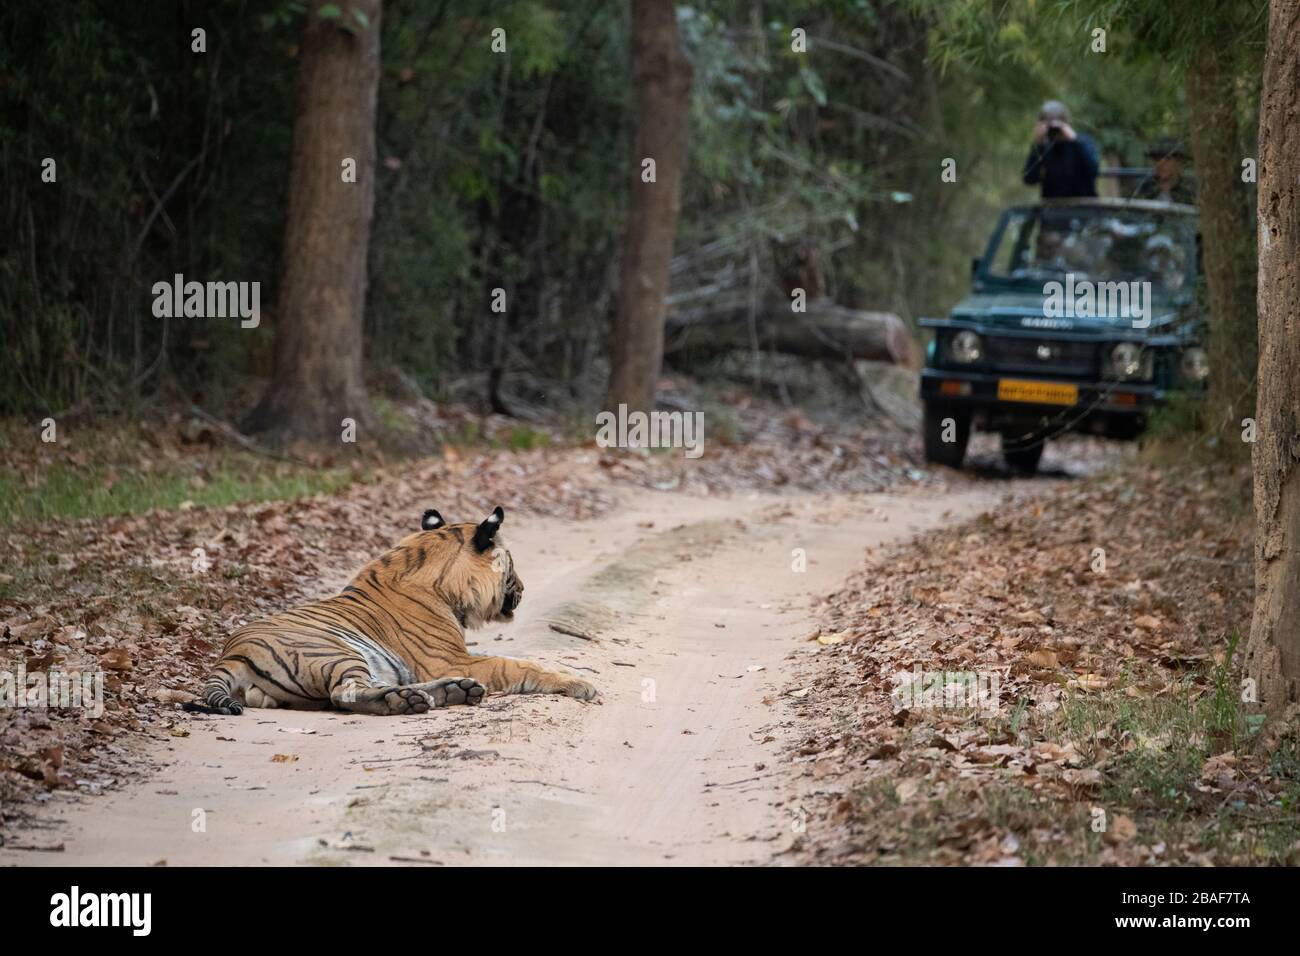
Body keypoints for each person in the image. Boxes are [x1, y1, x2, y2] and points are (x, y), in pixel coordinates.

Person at [1022, 100, 1100, 198]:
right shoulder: (1043, 148)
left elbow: (1094, 170)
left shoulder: (1083, 141)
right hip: (1053, 209)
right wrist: (1038, 144)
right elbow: (1029, 179)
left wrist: (1075, 141)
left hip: (1085, 206)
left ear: (1066, 123)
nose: (1054, 131)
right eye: (1049, 126)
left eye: (1057, 126)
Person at [1134, 138, 1195, 204]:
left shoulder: (1189, 194)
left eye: (1167, 159)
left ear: (1179, 163)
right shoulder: (1145, 189)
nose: (1160, 164)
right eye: (1157, 159)